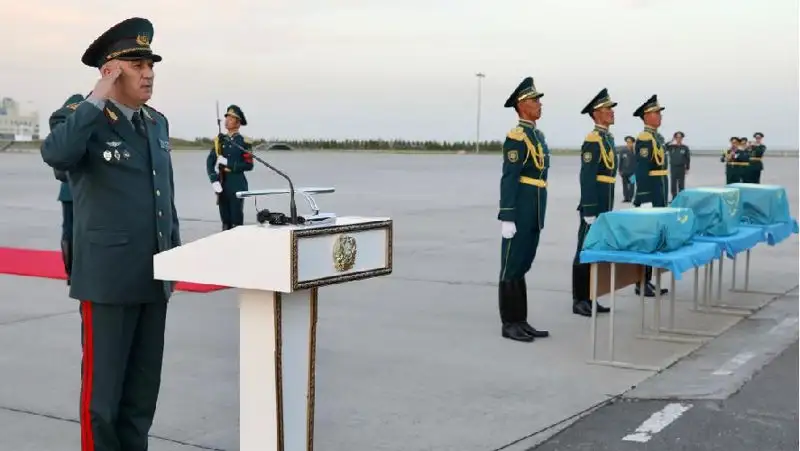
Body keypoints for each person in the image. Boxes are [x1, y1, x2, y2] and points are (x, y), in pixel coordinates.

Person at [39, 17, 180, 451]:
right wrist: (97, 96)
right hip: (108, 278)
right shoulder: (82, 117)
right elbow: (57, 153)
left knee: (141, 397)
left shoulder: (156, 123)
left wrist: (173, 257)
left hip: (153, 276)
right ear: (111, 70)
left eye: (150, 64)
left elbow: (163, 196)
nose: (148, 73)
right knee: (103, 401)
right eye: (136, 64)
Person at [497, 76, 551, 342]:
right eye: (534, 100)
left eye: (539, 100)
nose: (539, 104)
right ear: (521, 106)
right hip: (519, 210)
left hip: (534, 209)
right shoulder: (517, 137)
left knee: (522, 264)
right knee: (511, 266)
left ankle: (521, 320)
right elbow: (510, 177)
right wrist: (507, 215)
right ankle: (509, 323)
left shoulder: (536, 136)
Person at [572, 88, 617, 317]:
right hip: (594, 205)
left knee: (596, 249)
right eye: (607, 109)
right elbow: (587, 176)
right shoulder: (593, 141)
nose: (611, 112)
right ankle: (579, 299)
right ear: (596, 113)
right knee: (584, 249)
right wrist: (589, 208)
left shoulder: (607, 139)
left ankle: (591, 296)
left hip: (604, 203)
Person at [632, 94, 669, 297]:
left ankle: (647, 280)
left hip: (658, 193)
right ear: (646, 117)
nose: (659, 116)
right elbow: (642, 169)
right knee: (646, 239)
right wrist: (645, 198)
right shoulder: (645, 138)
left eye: (659, 113)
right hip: (650, 195)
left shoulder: (657, 138)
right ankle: (641, 282)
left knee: (654, 238)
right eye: (655, 113)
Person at [51, 93, 85, 285]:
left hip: (69, 191)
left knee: (69, 231)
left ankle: (71, 271)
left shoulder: (62, 135)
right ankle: (75, 271)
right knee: (75, 233)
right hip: (78, 190)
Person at [206, 104, 254, 230]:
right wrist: (214, 180)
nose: (227, 121)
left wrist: (228, 163)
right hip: (222, 184)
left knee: (236, 222)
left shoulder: (244, 142)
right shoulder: (219, 141)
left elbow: (249, 165)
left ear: (238, 123)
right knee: (225, 221)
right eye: (226, 118)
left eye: (231, 118)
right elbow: (210, 162)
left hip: (237, 184)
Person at [666, 131, 691, 200]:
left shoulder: (685, 147)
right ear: (675, 138)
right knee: (673, 184)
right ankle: (674, 199)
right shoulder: (671, 147)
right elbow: (664, 146)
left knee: (681, 185)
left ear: (682, 138)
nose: (678, 139)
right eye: (677, 137)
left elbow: (688, 158)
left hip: (681, 168)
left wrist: (687, 168)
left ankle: (681, 199)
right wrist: (671, 140)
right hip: (673, 168)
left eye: (680, 137)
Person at [618, 136, 636, 202]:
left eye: (630, 142)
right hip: (624, 171)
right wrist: (620, 170)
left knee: (632, 185)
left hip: (633, 172)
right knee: (625, 185)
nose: (628, 143)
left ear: (632, 143)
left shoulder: (635, 151)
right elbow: (620, 161)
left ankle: (630, 198)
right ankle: (626, 198)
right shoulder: (623, 151)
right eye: (627, 142)